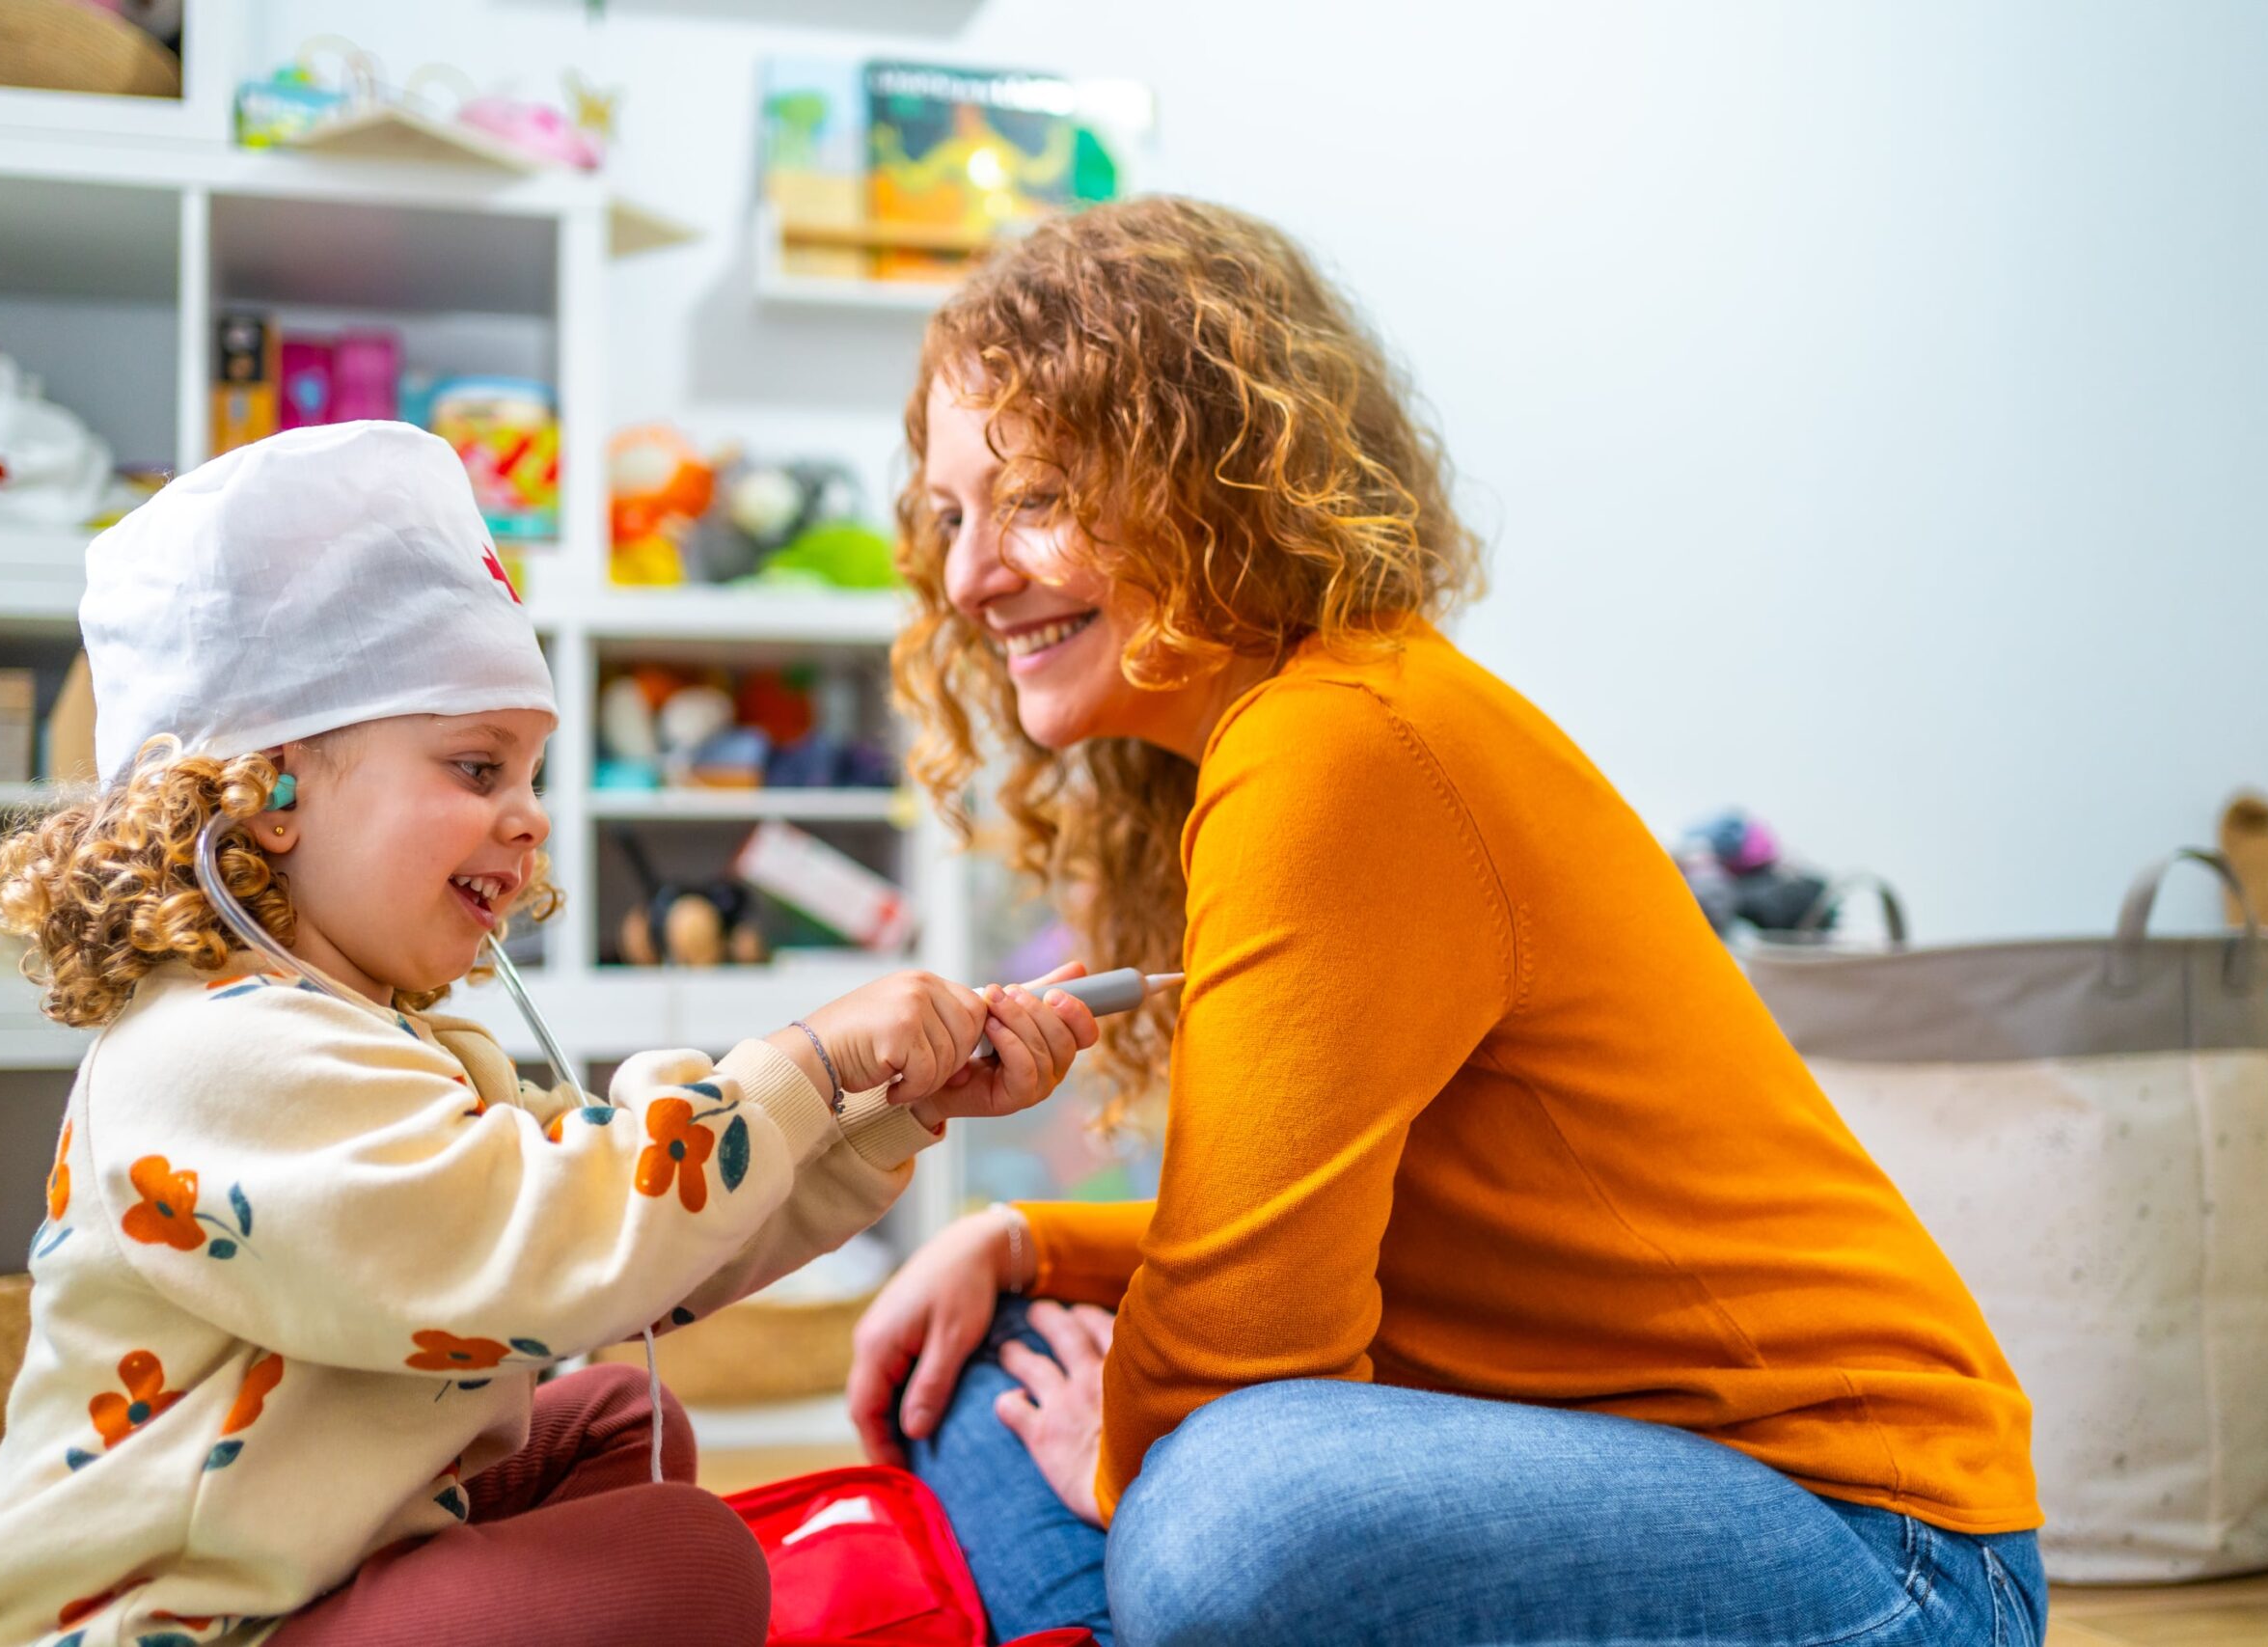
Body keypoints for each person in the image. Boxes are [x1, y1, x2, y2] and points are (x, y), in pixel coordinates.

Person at [850, 197, 2048, 1647]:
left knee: (1224, 1508)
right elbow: (1318, 1239)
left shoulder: (1337, 746)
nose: (972, 576)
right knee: (980, 1352)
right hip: (1601, 1463)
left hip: (1880, 1547)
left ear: (1199, 468)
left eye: (1034, 496)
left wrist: (1124, 1455)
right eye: (951, 516)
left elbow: (1246, 1354)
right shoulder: (1278, 741)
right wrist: (1029, 1242)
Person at [0, 422, 1098, 1647]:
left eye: (529, 779)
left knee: (625, 1422)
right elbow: (541, 1245)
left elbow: (633, 1244)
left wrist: (884, 1101)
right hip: (173, 1614)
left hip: (304, 1544)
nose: (527, 823)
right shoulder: (210, 1056)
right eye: (476, 769)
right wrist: (807, 1063)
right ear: (271, 787)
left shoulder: (378, 1039)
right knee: (682, 1561)